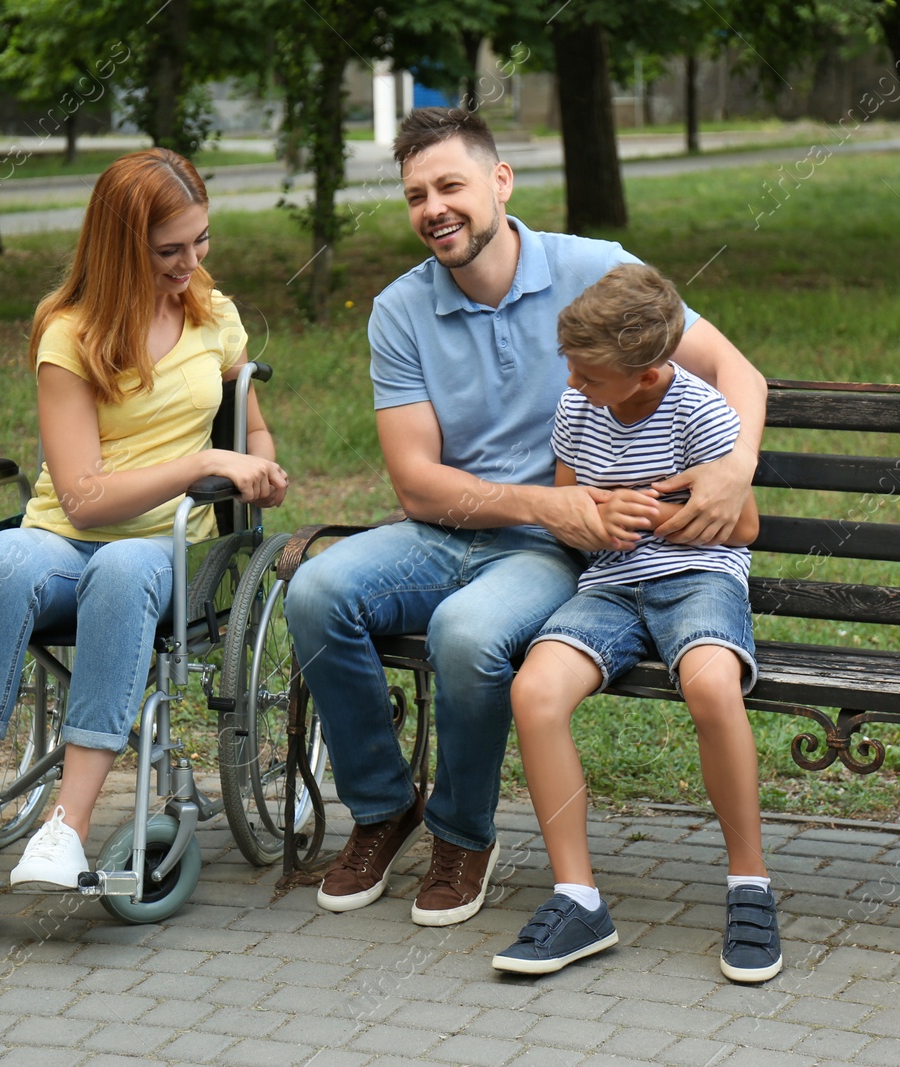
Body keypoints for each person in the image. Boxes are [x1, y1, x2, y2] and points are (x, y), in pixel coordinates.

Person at [286, 108, 766, 928]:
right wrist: (553, 499)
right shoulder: (400, 310)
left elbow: (732, 367)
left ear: (500, 182)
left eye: (450, 185)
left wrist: (735, 469)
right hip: (448, 531)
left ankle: (463, 833)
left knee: (469, 634)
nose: (433, 208)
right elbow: (415, 484)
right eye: (414, 195)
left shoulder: (594, 270)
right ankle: (381, 808)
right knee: (316, 591)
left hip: (548, 551)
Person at [0, 148, 287, 889]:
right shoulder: (69, 333)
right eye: (170, 250)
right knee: (2, 559)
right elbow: (82, 498)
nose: (191, 262)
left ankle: (65, 829)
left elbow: (249, 426)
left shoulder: (213, 312)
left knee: (126, 564)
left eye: (201, 240)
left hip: (165, 554)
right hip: (63, 541)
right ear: (119, 247)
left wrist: (258, 465)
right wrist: (204, 465)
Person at [491, 264, 779, 983]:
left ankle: (750, 883)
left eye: (588, 375)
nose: (574, 385)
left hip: (698, 578)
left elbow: (743, 523)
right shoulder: (576, 407)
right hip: (612, 585)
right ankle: (578, 897)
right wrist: (596, 516)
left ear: (648, 375)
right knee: (534, 692)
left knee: (712, 688)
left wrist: (662, 519)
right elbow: (571, 510)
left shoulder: (699, 411)